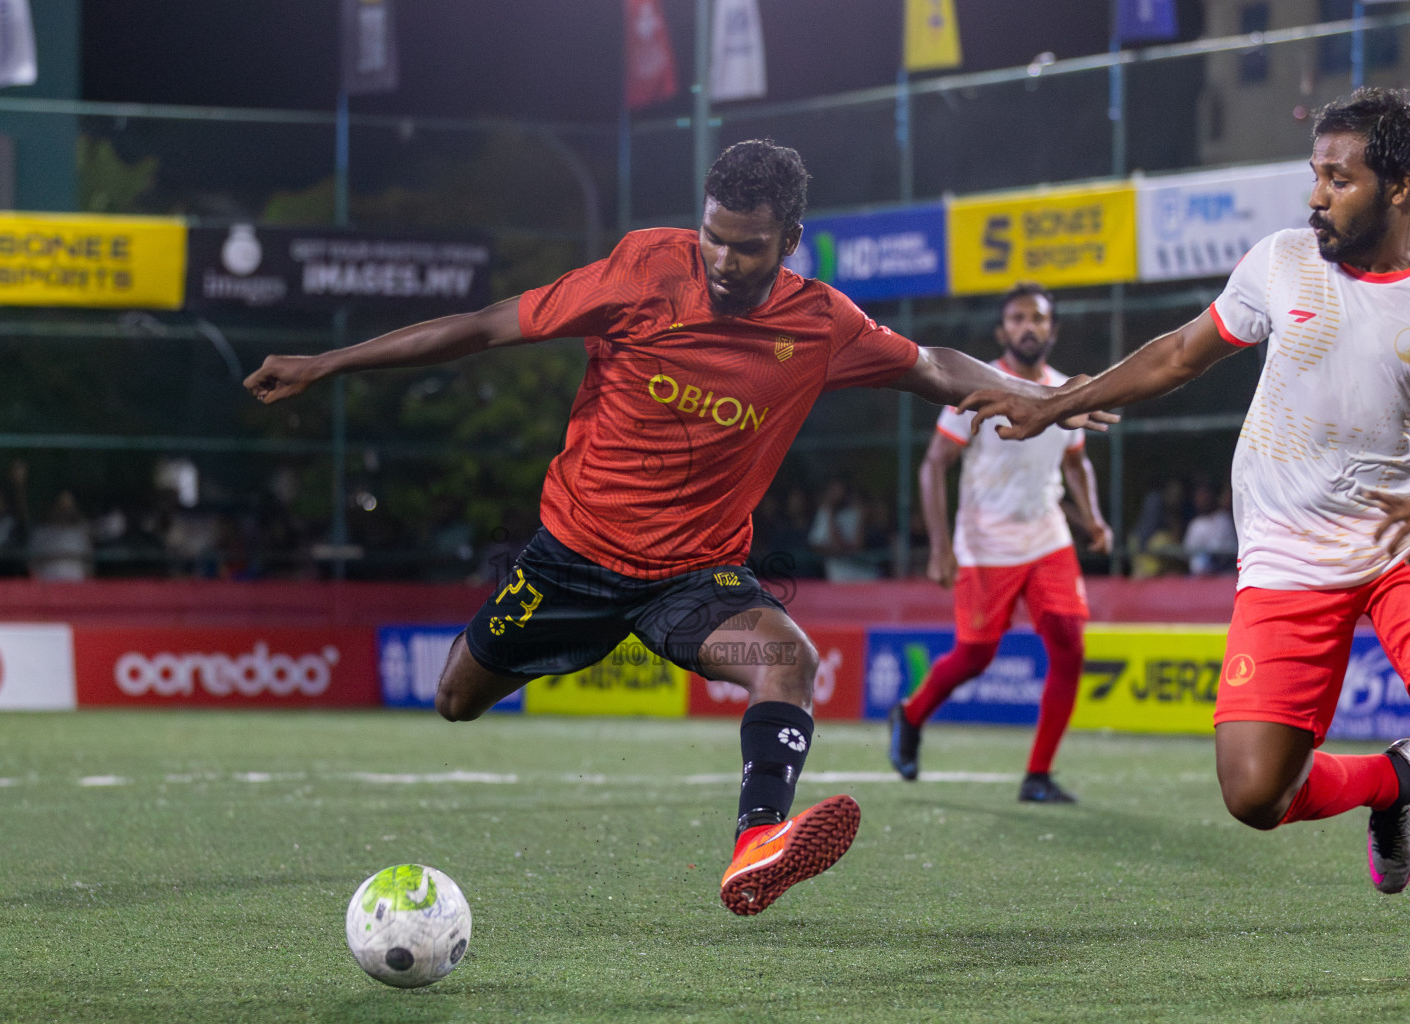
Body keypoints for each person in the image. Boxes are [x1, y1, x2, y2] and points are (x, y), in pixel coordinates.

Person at [245, 139, 1111, 916]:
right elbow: (483, 326)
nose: (726, 260)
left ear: (790, 242)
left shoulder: (820, 325)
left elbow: (931, 367)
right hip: (571, 561)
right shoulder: (640, 272)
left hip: (693, 580)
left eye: (749, 245)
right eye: (714, 237)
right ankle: (583, 642)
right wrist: (329, 362)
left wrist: (1056, 398)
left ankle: (757, 843)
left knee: (790, 659)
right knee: (454, 700)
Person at [957, 88, 1410, 894]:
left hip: (1397, 547)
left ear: (1400, 185)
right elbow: (1177, 355)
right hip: (1286, 555)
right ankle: (1396, 785)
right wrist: (1052, 403)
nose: (1316, 197)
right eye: (1315, 175)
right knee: (1256, 793)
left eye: (1339, 180)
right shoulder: (1282, 261)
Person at [889, 283, 1113, 803]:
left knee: (1069, 643)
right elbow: (933, 467)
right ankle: (911, 713)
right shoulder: (976, 388)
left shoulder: (1065, 392)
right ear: (1002, 331)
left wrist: (1094, 519)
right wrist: (940, 547)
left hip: (1047, 536)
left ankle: (1038, 774)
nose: (1027, 326)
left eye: (1037, 318)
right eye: (1016, 318)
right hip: (984, 542)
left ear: (1052, 330)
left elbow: (1076, 463)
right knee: (975, 655)